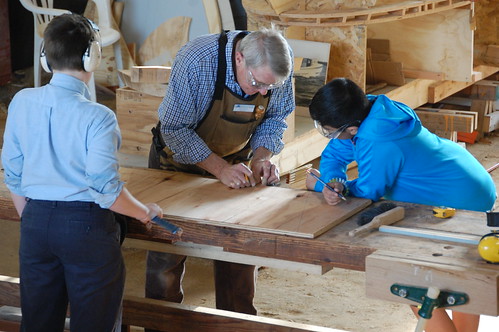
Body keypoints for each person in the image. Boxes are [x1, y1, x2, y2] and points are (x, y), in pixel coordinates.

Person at [1, 14, 163, 331]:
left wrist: (35, 216)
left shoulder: (22, 101)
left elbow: (13, 173)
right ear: (93, 57)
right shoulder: (98, 117)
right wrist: (146, 213)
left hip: (34, 222)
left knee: (37, 323)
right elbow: (106, 189)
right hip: (85, 228)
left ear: (45, 58)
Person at [305, 77, 496, 332]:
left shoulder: (379, 140)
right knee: (461, 278)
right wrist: (333, 180)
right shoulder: (370, 110)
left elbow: (368, 192)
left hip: (457, 197)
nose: (329, 135)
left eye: (329, 130)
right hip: (465, 178)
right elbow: (334, 154)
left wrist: (319, 186)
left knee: (410, 282)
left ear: (351, 129)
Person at [147, 27, 294, 318]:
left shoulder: (276, 65)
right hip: (176, 165)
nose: (264, 92)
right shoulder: (197, 60)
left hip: (237, 162)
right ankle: (162, 323)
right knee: (167, 252)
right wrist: (219, 169)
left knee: (238, 248)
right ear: (239, 59)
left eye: (270, 87)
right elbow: (174, 129)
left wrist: (261, 157)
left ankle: (236, 323)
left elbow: (277, 116)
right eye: (258, 83)